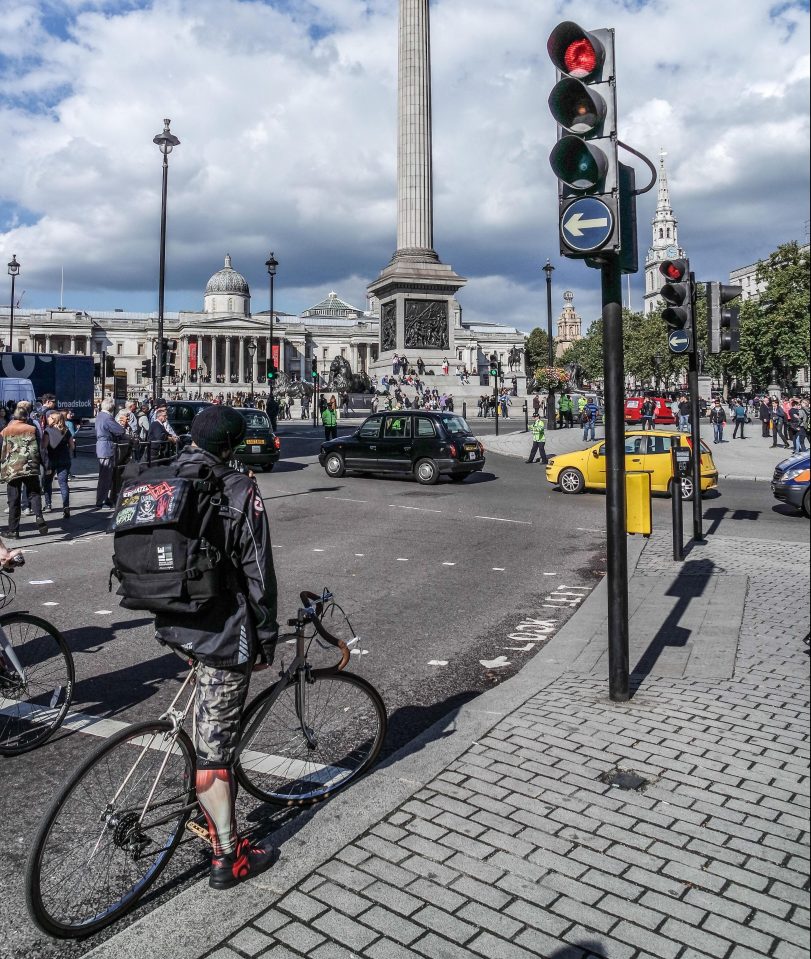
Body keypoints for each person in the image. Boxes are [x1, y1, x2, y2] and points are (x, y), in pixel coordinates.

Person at [153, 406, 280, 889]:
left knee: (208, 720)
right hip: (221, 630)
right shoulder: (239, 489)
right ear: (231, 446)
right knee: (215, 750)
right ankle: (229, 857)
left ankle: (204, 808)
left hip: (171, 620)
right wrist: (265, 636)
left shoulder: (165, 475)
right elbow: (258, 573)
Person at [1, 402, 48, 538]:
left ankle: (13, 530)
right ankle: (39, 516)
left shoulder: (6, 430)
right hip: (30, 466)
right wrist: (46, 465)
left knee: (14, 499)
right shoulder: (32, 429)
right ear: (26, 417)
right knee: (34, 493)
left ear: (14, 418)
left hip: (12, 469)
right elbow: (41, 449)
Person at [42, 411, 74, 518]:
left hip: (51, 461)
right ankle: (66, 506)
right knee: (63, 484)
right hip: (64, 460)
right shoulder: (66, 430)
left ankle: (48, 504)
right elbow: (72, 446)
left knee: (47, 482)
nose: (48, 418)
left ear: (54, 419)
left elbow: (44, 446)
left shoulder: (48, 431)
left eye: (50, 417)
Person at [95, 398, 126, 508]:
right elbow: (120, 430)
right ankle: (101, 500)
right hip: (106, 447)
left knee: (104, 475)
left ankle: (104, 498)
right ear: (112, 407)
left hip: (101, 446)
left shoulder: (99, 415)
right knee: (106, 476)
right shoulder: (107, 417)